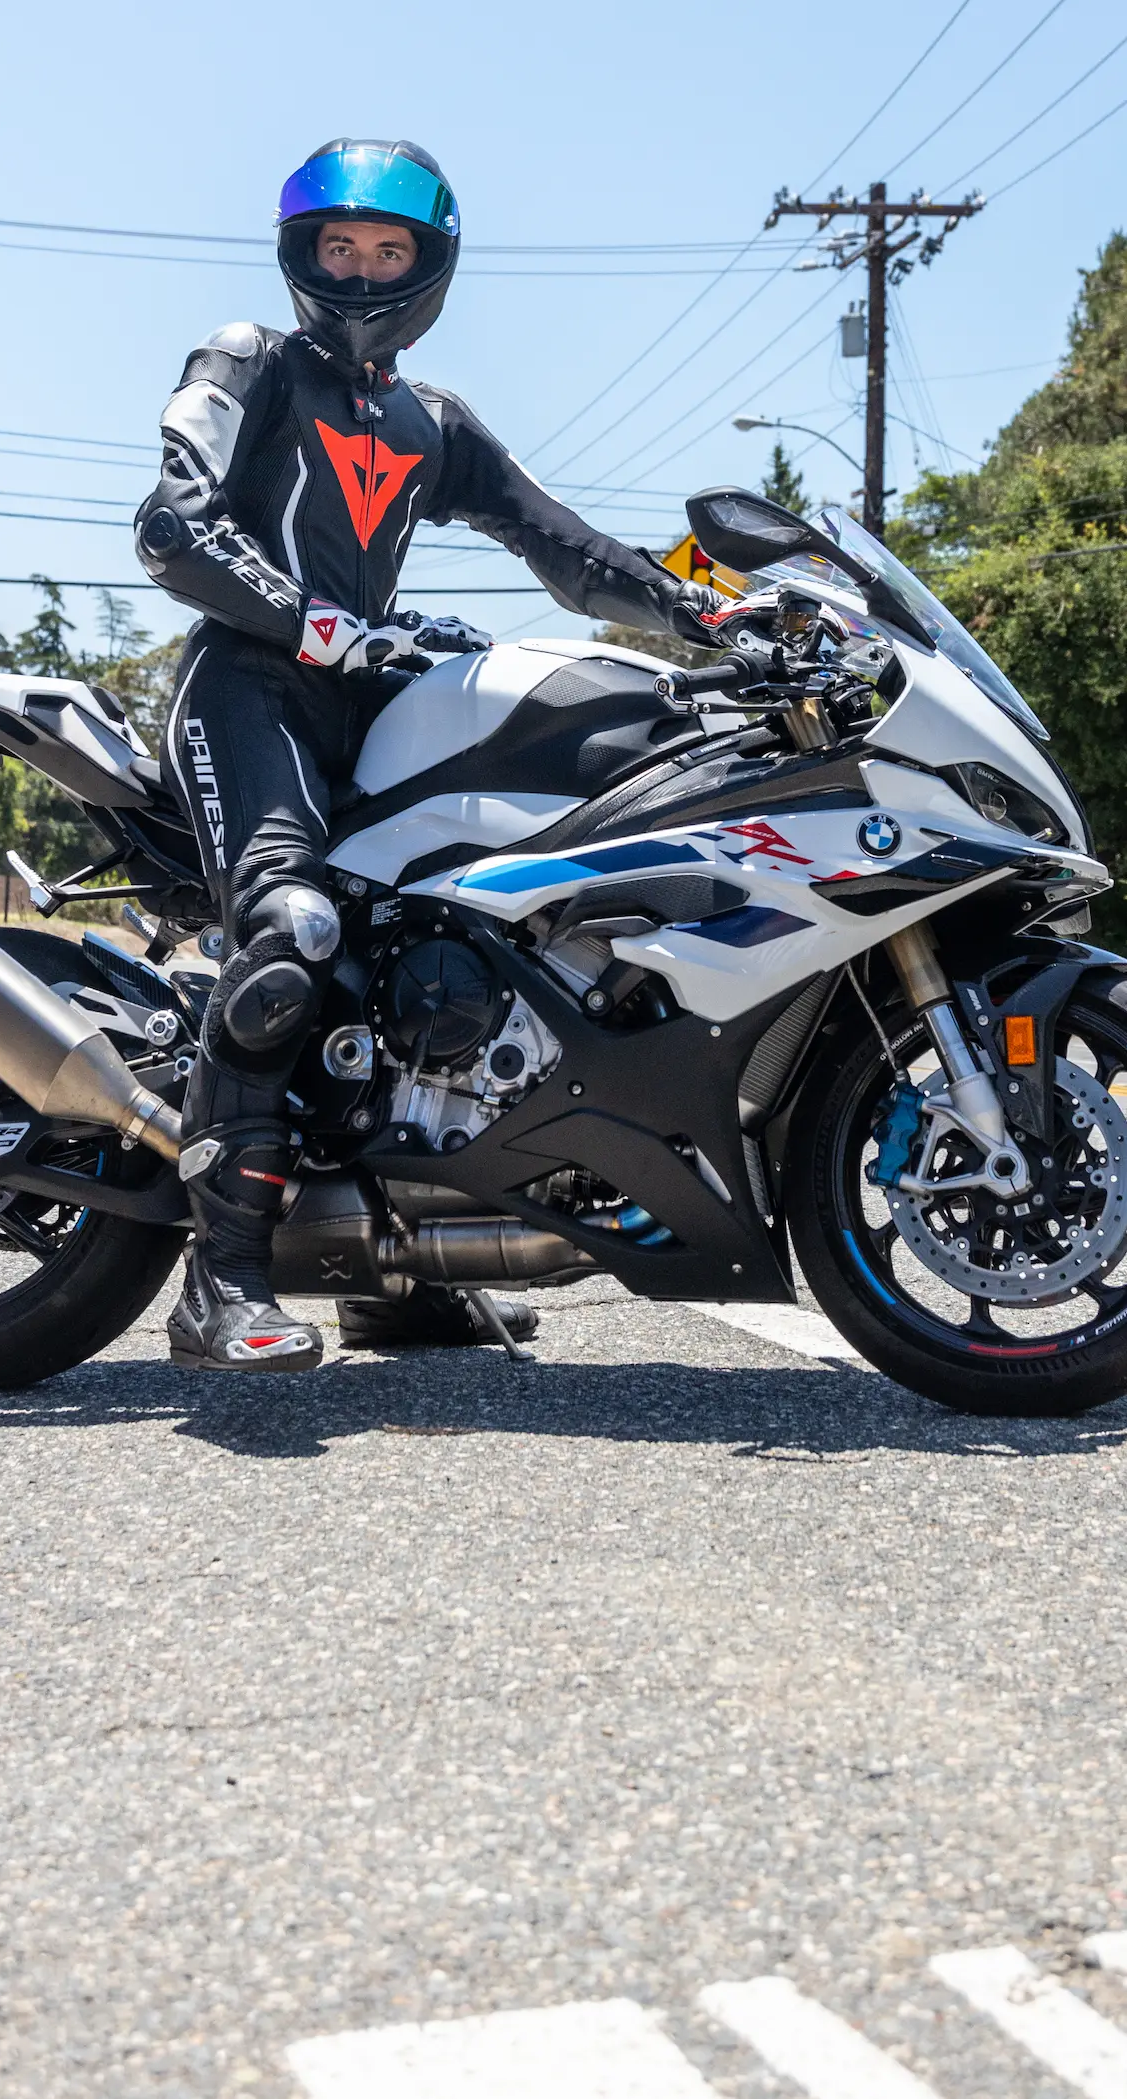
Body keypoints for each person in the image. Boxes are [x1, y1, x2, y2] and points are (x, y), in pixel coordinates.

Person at [135, 138, 721, 1371]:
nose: (359, 271)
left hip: (370, 703)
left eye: (387, 250)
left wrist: (706, 611)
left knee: (438, 954)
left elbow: (564, 546)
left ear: (427, 266)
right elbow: (172, 528)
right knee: (292, 933)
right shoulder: (249, 360)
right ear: (301, 255)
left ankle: (397, 1272)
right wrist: (318, 626)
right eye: (338, 246)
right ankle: (220, 1279)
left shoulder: (431, 423)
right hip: (248, 689)